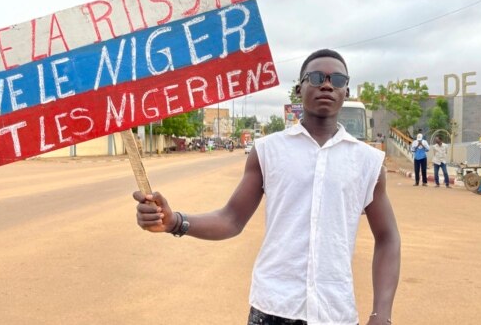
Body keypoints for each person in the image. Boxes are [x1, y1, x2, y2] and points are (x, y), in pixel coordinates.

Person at [134, 49, 401, 325]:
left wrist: (382, 314)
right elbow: (231, 219)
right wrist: (175, 222)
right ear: (299, 89)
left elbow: (388, 237)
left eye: (337, 80)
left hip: (335, 313)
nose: (326, 85)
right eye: (317, 77)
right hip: (272, 308)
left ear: (346, 90)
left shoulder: (368, 162)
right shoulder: (268, 151)